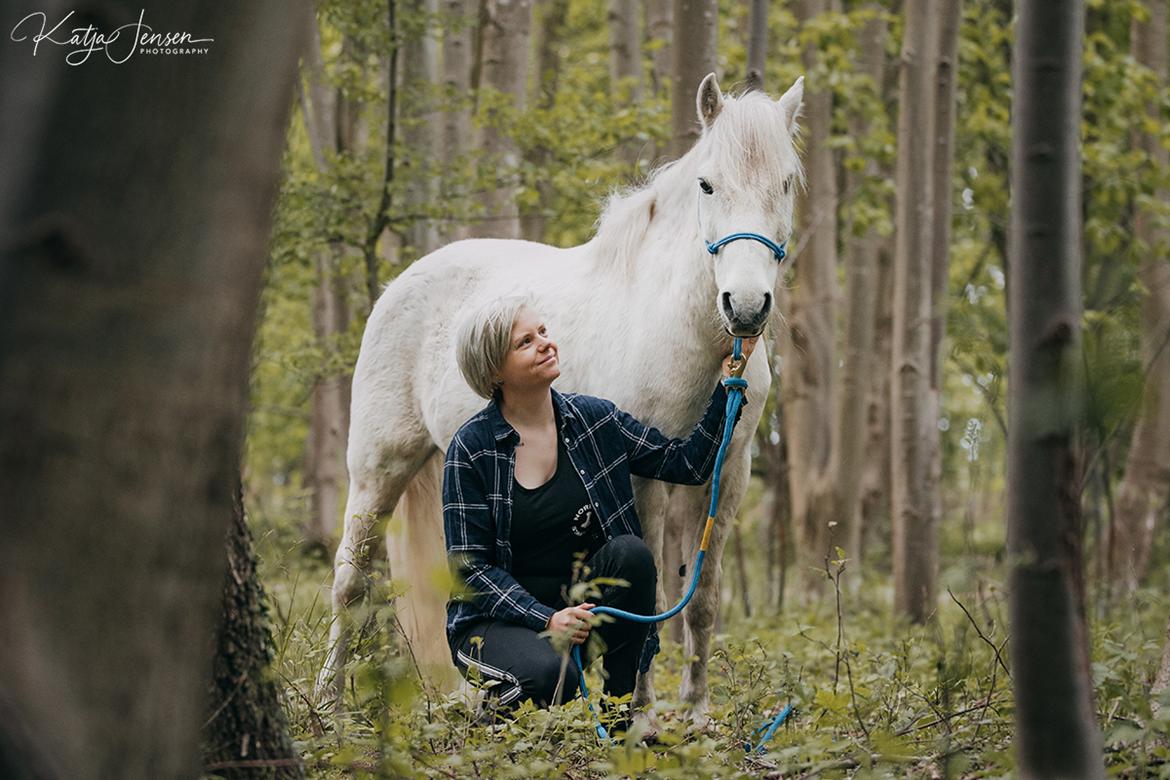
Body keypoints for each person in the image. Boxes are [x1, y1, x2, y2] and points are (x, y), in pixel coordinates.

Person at [442, 294, 754, 726]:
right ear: (494, 369)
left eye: (544, 332)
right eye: (525, 341)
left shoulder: (595, 420)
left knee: (632, 554)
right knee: (555, 678)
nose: (546, 344)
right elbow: (471, 571)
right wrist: (547, 617)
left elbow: (686, 464)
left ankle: (620, 716)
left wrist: (728, 385)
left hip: (576, 611)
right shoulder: (470, 450)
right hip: (494, 623)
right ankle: (494, 714)